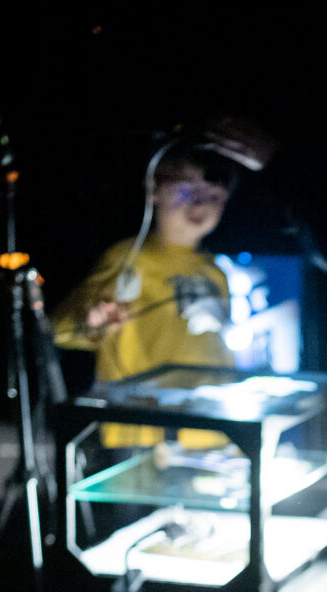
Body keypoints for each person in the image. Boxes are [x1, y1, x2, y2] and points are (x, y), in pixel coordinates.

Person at [55, 140, 243, 450]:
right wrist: (92, 319)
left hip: (208, 431)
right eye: (188, 190)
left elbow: (223, 355)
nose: (200, 204)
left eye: (213, 196)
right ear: (154, 189)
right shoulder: (127, 259)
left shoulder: (215, 273)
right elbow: (62, 329)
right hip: (140, 430)